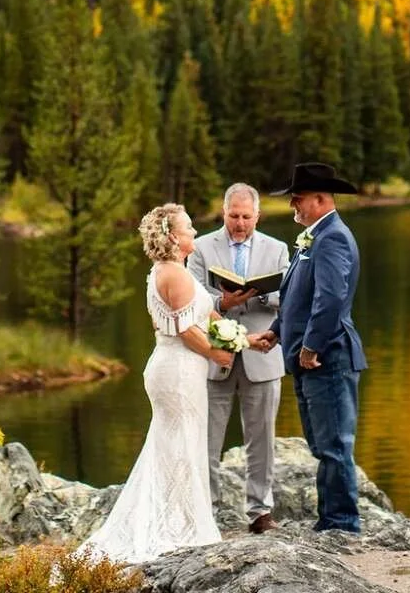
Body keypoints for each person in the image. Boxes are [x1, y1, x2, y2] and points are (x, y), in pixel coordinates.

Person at [80, 203, 239, 564]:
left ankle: (177, 519)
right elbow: (185, 329)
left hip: (173, 368)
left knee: (177, 446)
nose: (195, 232)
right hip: (179, 372)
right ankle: (178, 528)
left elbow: (194, 315)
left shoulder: (164, 270)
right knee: (181, 447)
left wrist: (243, 336)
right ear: (172, 236)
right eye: (188, 227)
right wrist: (218, 354)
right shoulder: (175, 274)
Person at [247, 161, 366, 533]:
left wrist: (312, 346)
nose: (292, 206)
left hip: (327, 357)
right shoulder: (313, 235)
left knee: (334, 444)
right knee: (321, 444)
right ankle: (330, 519)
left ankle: (341, 524)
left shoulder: (332, 237)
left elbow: (330, 298)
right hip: (306, 357)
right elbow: (298, 296)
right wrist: (278, 331)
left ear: (319, 198)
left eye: (297, 199)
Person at [186, 182, 290, 534]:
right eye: (234, 216)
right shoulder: (200, 248)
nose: (240, 223)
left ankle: (260, 513)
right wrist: (222, 304)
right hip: (214, 356)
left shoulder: (277, 249)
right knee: (208, 439)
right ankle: (208, 512)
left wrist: (259, 297)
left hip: (262, 353)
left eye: (247, 216)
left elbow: (289, 298)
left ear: (257, 215)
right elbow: (191, 299)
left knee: (261, 438)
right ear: (224, 212)